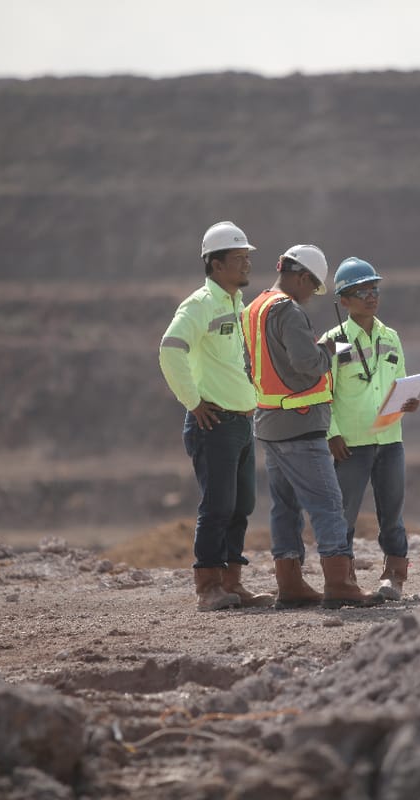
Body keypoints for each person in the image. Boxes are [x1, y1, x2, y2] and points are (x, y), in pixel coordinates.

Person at [242, 244, 380, 609]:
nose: (312, 295)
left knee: (284, 506)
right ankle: (340, 583)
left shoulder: (254, 308)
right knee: (327, 502)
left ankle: (290, 584)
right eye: (313, 286)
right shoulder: (288, 310)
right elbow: (306, 363)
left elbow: (253, 364)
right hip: (301, 425)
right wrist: (331, 350)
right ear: (301, 277)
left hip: (269, 422)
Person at [159, 221, 274, 612]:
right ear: (216, 264)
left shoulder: (235, 304)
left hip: (241, 421)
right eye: (239, 259)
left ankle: (232, 582)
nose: (246, 265)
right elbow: (170, 348)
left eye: (247, 258)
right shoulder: (199, 305)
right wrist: (193, 401)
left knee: (242, 504)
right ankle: (208, 585)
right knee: (218, 505)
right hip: (214, 422)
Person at [321, 258, 419, 600]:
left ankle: (394, 576)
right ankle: (342, 580)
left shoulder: (391, 337)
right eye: (362, 291)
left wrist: (409, 401)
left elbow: (401, 381)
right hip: (350, 444)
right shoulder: (333, 341)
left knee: (391, 514)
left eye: (374, 289)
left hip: (390, 440)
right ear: (344, 300)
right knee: (343, 514)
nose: (371, 296)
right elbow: (322, 393)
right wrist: (331, 433)